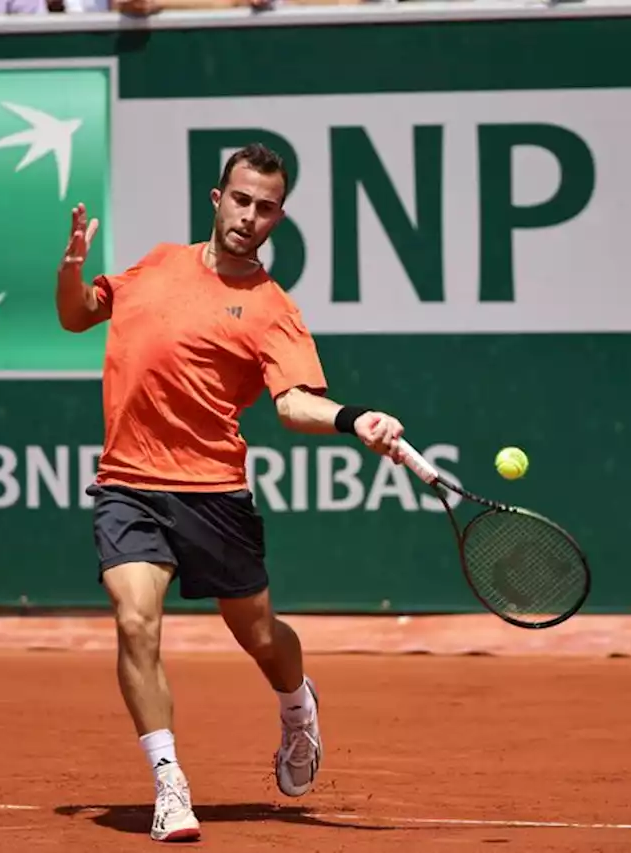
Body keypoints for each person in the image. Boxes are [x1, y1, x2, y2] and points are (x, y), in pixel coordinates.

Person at [55, 143, 407, 843]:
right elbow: (76, 315)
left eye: (266, 207)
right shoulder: (155, 264)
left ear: (279, 217)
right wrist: (70, 266)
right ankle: (169, 781)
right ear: (216, 198)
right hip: (128, 481)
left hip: (213, 491)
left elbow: (294, 401)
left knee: (259, 635)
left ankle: (296, 706)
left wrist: (349, 418)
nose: (250, 215)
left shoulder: (272, 308)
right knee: (134, 620)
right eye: (240, 199)